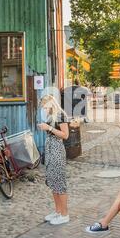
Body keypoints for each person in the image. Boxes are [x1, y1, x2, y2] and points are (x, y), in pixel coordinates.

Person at [38, 95, 70, 225]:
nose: (44, 110)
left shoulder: (61, 115)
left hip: (57, 150)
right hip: (50, 150)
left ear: (52, 104)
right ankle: (57, 211)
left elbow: (65, 135)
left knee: (59, 182)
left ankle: (64, 214)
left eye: (46, 107)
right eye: (43, 108)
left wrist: (49, 128)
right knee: (53, 181)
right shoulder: (51, 116)